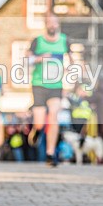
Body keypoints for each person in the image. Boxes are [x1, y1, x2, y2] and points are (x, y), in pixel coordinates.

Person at [27, 14, 72, 166]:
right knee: (40, 123)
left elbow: (73, 61)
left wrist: (71, 70)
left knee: (54, 116)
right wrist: (40, 58)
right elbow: (27, 60)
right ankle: (37, 131)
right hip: (39, 84)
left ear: (58, 24)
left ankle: (50, 153)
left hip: (56, 86)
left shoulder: (64, 41)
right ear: (46, 24)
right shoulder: (37, 41)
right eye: (49, 23)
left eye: (55, 23)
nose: (52, 25)